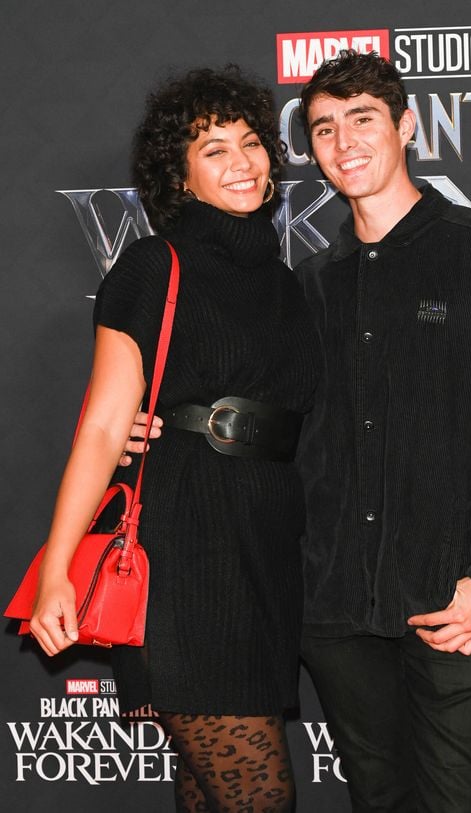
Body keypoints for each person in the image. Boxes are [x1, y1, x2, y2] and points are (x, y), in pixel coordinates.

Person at [124, 52, 471, 812]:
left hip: (450, 607)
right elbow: (261, 420)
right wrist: (161, 425)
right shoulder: (307, 286)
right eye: (324, 129)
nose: (344, 142)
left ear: (407, 127)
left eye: (362, 119)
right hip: (332, 616)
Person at [28, 65, 320, 813]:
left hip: (267, 543)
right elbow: (101, 425)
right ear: (180, 177)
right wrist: (57, 570)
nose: (243, 162)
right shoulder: (156, 265)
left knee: (208, 792)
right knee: (259, 795)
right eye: (214, 149)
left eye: (250, 142)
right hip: (185, 545)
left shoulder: (288, 284)